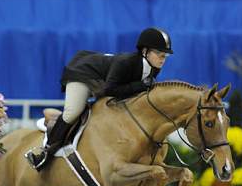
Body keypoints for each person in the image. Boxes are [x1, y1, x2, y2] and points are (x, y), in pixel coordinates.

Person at [25, 27, 173, 171]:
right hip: (83, 74)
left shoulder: (153, 68)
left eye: (165, 55)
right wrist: (140, 85)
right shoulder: (125, 62)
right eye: (159, 53)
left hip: (102, 81)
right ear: (145, 51)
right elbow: (109, 90)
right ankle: (45, 152)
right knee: (73, 112)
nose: (162, 59)